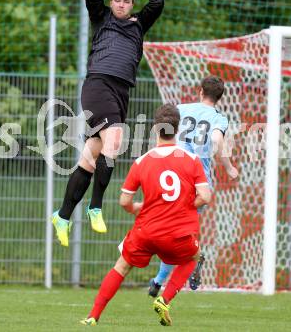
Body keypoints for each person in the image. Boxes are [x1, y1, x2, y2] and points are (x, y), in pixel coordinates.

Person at [52, 0, 164, 243]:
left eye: (126, 1)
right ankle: (96, 207)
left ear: (131, 4)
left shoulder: (139, 24)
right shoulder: (102, 18)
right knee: (115, 140)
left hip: (121, 91)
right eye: (117, 0)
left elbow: (157, 0)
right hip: (98, 85)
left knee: (91, 158)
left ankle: (62, 216)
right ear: (112, 2)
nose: (121, 4)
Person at [80, 104, 212, 326]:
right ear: (177, 130)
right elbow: (205, 197)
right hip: (179, 233)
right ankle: (165, 298)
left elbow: (124, 201)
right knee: (194, 257)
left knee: (121, 267)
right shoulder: (192, 160)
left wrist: (136, 208)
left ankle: (93, 316)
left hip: (146, 231)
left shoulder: (142, 162)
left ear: (154, 129)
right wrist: (186, 205)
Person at [148, 75, 239, 296]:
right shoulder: (219, 118)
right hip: (198, 182)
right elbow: (217, 141)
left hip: (172, 175)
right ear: (219, 98)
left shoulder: (180, 108)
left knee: (169, 230)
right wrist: (228, 167)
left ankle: (160, 280)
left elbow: (162, 132)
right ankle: (182, 265)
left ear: (200, 91)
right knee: (181, 231)